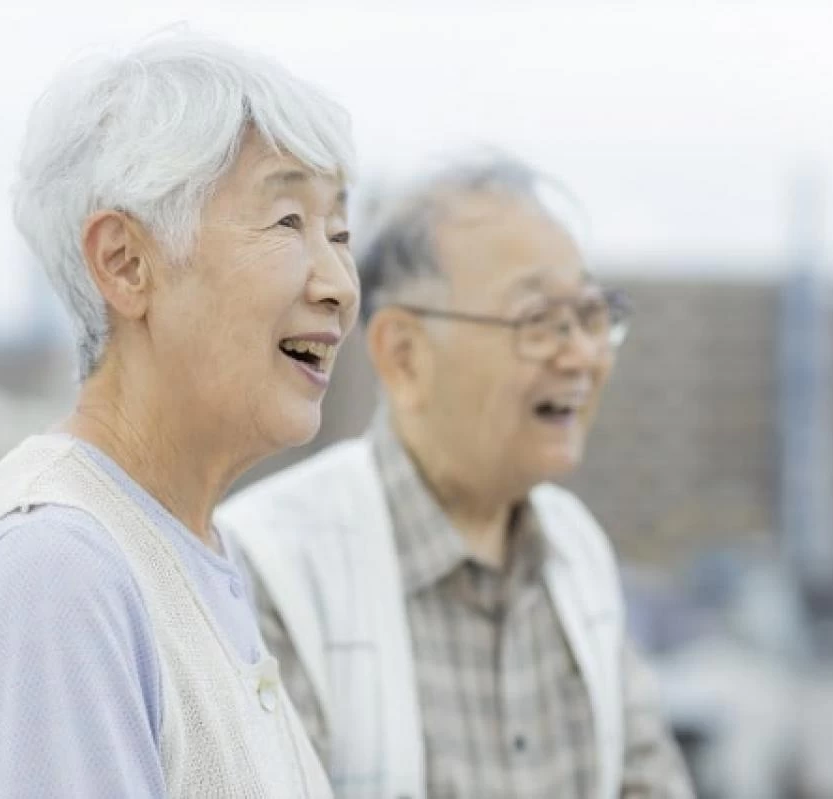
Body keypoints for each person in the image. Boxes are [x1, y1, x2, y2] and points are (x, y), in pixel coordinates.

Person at [0, 33, 358, 798]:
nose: (338, 281)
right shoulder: (54, 569)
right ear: (125, 263)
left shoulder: (185, 543)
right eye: (286, 223)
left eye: (339, 231)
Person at [217, 157, 695, 799]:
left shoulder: (577, 549)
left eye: (590, 316)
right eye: (538, 322)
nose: (582, 354)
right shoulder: (265, 567)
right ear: (403, 355)